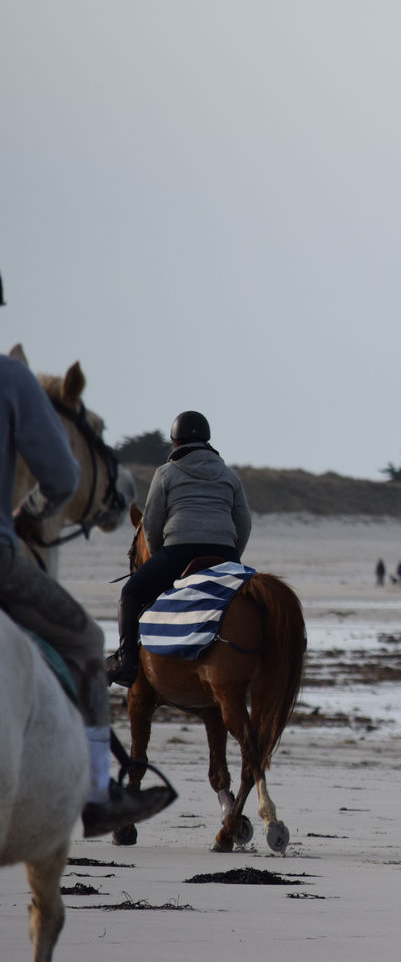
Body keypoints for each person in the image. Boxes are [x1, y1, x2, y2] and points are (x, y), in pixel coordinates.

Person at [1, 353, 175, 835]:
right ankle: (98, 793)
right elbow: (60, 477)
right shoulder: (13, 378)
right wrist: (28, 513)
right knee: (83, 643)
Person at [109, 410, 251, 687]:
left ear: (175, 441)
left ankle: (126, 661)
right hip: (225, 553)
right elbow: (243, 523)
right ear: (207, 440)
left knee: (131, 592)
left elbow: (150, 523)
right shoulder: (229, 475)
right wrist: (233, 560)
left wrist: (161, 554)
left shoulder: (166, 473)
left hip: (179, 551)